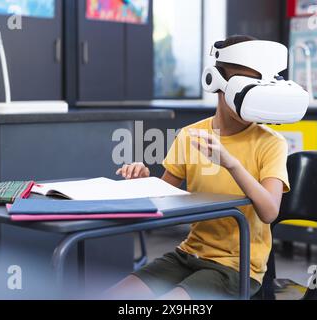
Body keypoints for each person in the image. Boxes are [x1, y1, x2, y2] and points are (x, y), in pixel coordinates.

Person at [107, 35, 290, 300]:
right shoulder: (190, 135)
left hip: (237, 267)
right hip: (187, 254)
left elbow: (270, 211)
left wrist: (231, 164)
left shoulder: (271, 143)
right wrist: (143, 181)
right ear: (215, 82)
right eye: (244, 86)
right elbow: (163, 197)